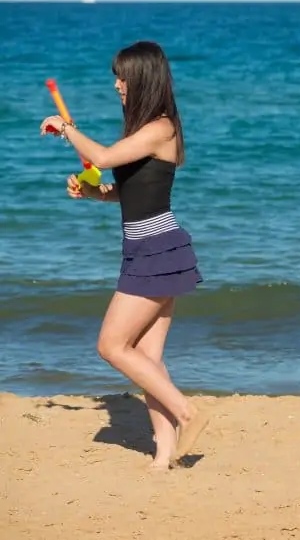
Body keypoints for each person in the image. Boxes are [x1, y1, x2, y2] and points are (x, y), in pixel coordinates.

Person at [40, 41, 210, 471]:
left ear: (143, 79)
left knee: (111, 345)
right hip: (146, 248)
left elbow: (100, 156)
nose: (117, 85)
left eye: (123, 77)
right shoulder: (142, 133)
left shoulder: (162, 127)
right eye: (116, 76)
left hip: (156, 250)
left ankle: (188, 412)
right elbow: (131, 195)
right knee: (146, 360)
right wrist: (96, 193)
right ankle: (164, 454)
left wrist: (65, 127)